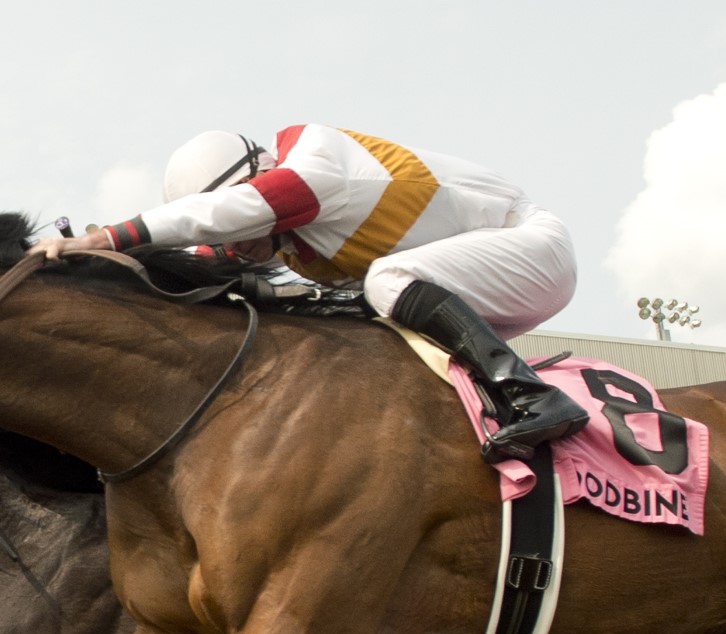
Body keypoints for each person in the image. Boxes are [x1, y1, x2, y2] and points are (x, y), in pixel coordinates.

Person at [37, 126, 584, 461]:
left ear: (256, 179)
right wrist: (110, 273)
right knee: (356, 313)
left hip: (532, 246)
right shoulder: (290, 232)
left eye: (237, 229)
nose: (235, 245)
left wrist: (104, 238)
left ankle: (533, 397)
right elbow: (204, 259)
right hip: (478, 273)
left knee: (384, 282)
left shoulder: (317, 164)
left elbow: (221, 215)